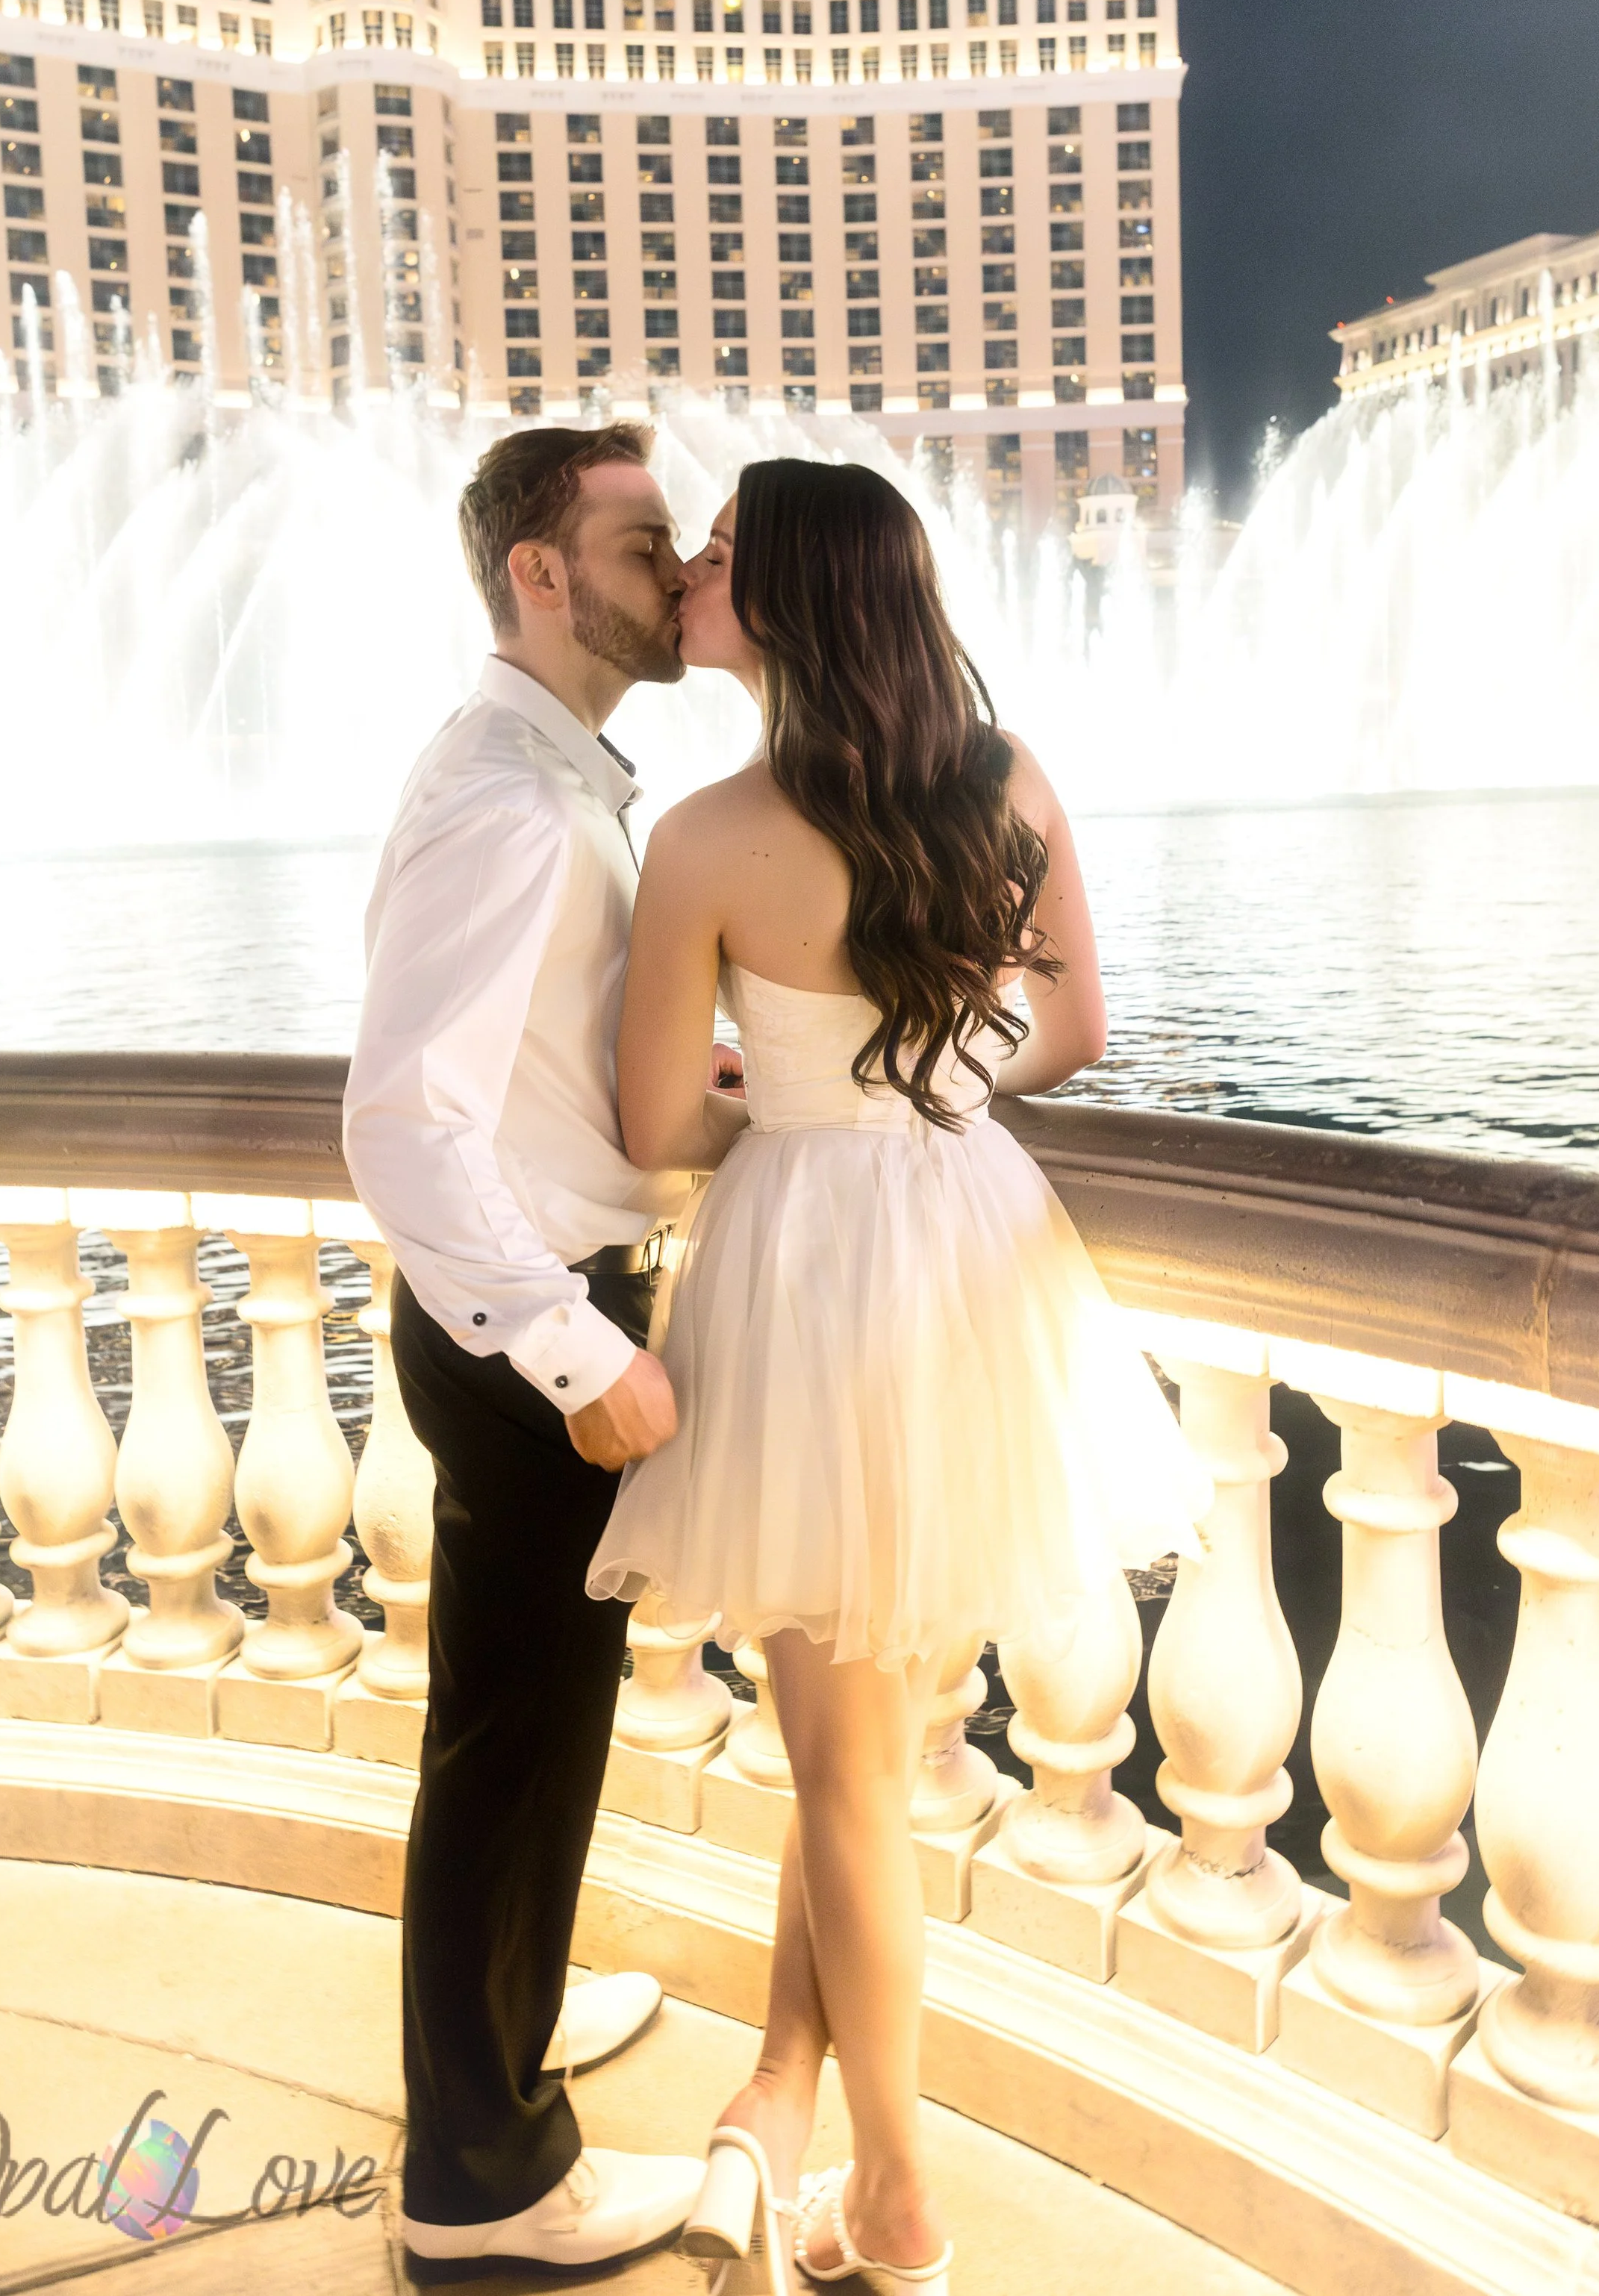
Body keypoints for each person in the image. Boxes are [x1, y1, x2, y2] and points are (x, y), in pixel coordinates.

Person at [588, 460, 1209, 2292]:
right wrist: (923, 1095)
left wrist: (779, 1106)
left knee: (847, 1770)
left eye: (715, 554)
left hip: (802, 1272)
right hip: (972, 1248)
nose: (691, 571)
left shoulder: (703, 837)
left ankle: (898, 2201)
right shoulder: (1005, 786)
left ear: (781, 599)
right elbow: (1076, 1032)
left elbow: (643, 1122)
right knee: (866, 1748)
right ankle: (792, 2111)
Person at [343, 423, 725, 2270]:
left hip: (520, 1304)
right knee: (511, 1745)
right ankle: (482, 2188)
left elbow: (526, 1067)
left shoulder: (536, 771)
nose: (680, 571)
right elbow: (404, 1122)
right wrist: (579, 1353)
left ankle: (500, 2021)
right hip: (522, 1327)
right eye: (646, 544)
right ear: (541, 575)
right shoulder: (510, 799)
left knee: (525, 1732)